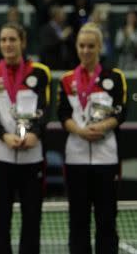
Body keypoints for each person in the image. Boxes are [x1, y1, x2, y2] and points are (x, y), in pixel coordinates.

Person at [0, 22, 51, 254]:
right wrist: (4, 136)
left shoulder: (40, 72)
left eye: (12, 39)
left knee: (31, 221)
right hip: (2, 157)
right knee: (1, 222)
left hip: (32, 157)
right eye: (3, 40)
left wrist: (35, 133)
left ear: (23, 42)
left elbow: (45, 109)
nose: (8, 44)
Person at [57, 22, 127, 254]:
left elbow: (121, 111)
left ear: (99, 47)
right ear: (76, 47)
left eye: (91, 46)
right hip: (76, 158)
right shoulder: (67, 80)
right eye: (81, 46)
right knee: (78, 221)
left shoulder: (114, 77)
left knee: (106, 220)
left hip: (106, 158)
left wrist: (102, 127)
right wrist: (80, 131)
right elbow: (63, 114)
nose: (85, 51)